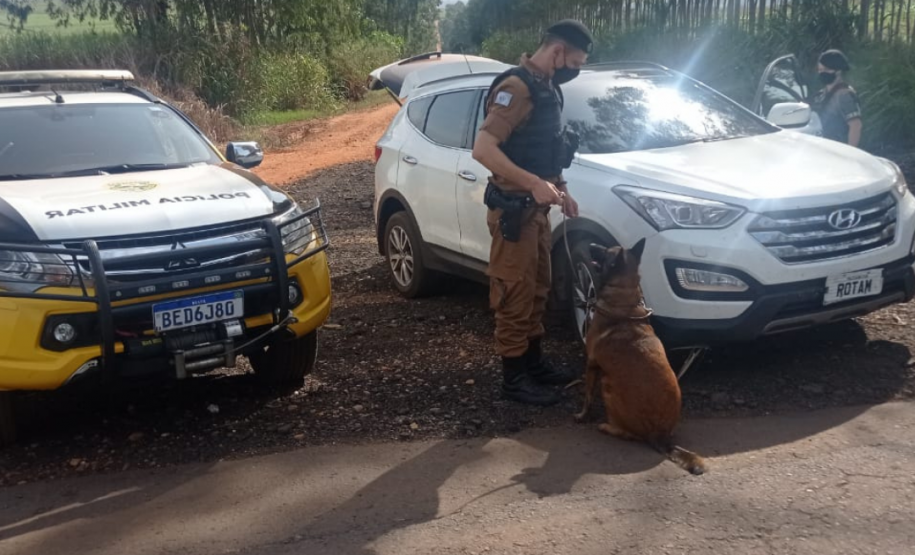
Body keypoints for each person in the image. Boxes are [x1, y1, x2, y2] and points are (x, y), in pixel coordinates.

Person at [471, 20, 591, 406]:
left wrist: (561, 188)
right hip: (514, 215)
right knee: (513, 294)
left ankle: (534, 365)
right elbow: (483, 149)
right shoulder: (516, 88)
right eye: (575, 62)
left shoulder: (548, 89)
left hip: (537, 212)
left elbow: (546, 151)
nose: (576, 70)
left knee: (538, 290)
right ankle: (514, 379)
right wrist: (532, 183)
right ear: (557, 52)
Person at [812, 49, 863, 147]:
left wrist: (849, 152)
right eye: (820, 70)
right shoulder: (821, 94)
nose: (822, 73)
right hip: (823, 148)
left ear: (838, 71)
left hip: (838, 150)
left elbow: (856, 125)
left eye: (827, 69)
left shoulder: (844, 95)